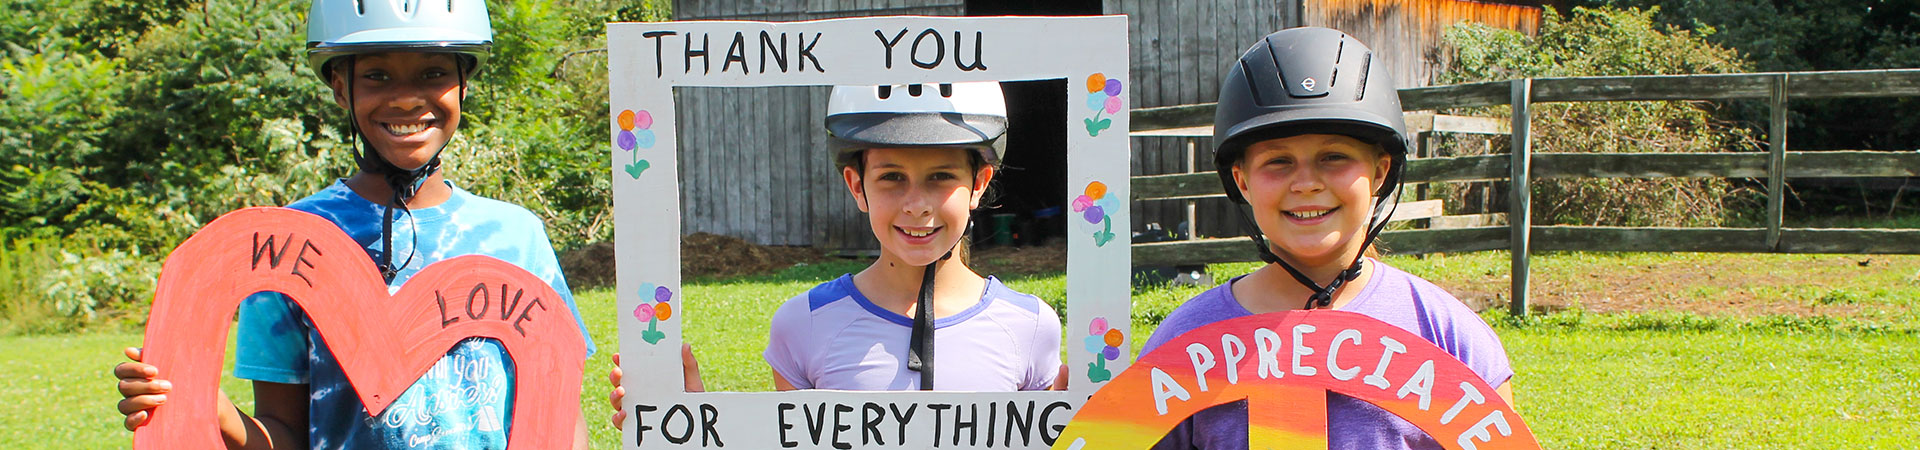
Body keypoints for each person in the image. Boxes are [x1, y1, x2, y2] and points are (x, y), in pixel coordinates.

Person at [111, 1, 596, 448]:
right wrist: (209, 408)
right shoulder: (279, 247)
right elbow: (284, 433)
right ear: (341, 88)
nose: (406, 99)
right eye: (378, 76)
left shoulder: (516, 235)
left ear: (464, 83)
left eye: (432, 73)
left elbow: (557, 409)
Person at [1141, 27, 1514, 449]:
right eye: (1278, 161)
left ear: (1379, 172)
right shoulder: (1181, 344)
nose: (1306, 183)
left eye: (1333, 157)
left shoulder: (1447, 335)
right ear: (1241, 181)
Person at [608, 82, 1063, 426]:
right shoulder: (803, 324)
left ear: (978, 184)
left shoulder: (1030, 326)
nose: (916, 203)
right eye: (891, 177)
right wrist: (693, 427)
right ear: (856, 185)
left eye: (941, 176)